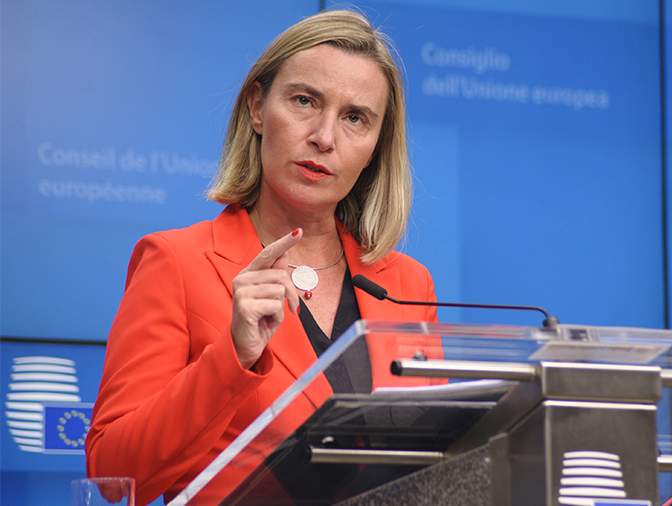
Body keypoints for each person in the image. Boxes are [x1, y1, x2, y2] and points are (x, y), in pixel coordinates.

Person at [85, 10, 442, 505]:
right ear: (257, 107)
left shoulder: (406, 285)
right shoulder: (176, 263)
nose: (324, 137)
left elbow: (436, 463)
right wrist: (232, 355)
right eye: (304, 101)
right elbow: (114, 473)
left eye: (355, 117)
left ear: (375, 148)